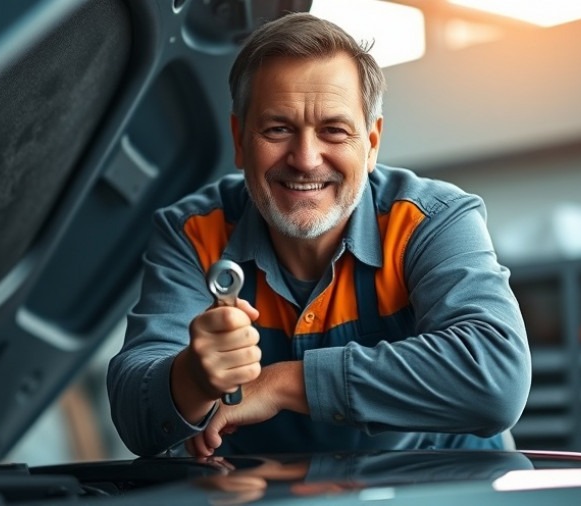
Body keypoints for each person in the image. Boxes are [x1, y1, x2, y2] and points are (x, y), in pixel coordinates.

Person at [107, 12, 531, 458]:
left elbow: (496, 377)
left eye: (333, 130)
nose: (306, 159)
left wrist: (285, 382)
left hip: (446, 482)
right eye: (278, 129)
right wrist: (192, 376)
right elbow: (136, 420)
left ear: (371, 142)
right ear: (238, 139)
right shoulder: (192, 233)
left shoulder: (433, 220)